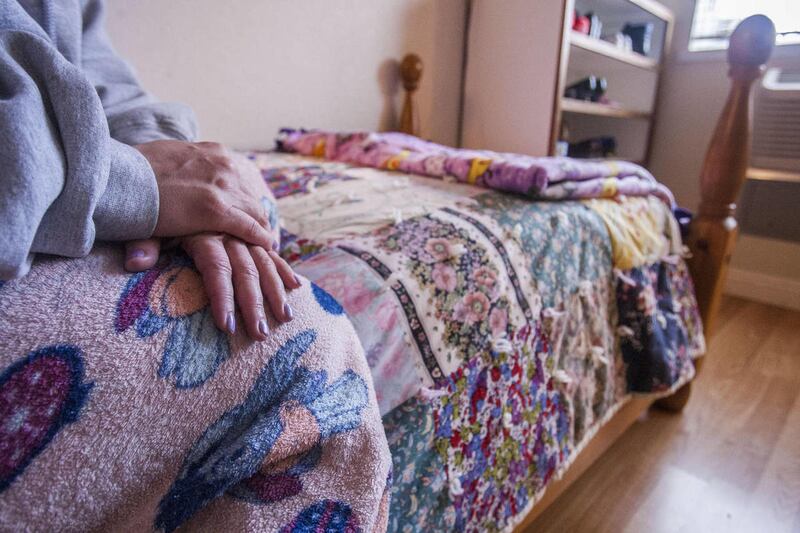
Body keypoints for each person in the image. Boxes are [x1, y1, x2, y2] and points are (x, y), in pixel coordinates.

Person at [0, 0, 299, 340]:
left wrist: (171, 171)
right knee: (303, 335)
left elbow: (99, 80)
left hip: (77, 174)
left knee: (247, 195)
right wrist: (136, 187)